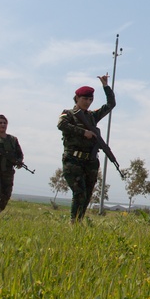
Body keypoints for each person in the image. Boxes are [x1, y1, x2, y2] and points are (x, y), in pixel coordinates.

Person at [58, 75, 115, 222]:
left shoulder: (91, 116)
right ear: (77, 98)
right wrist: (83, 132)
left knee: (87, 194)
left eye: (90, 100)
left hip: (89, 161)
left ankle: (79, 221)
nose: (88, 102)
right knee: (79, 193)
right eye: (85, 99)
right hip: (73, 160)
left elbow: (111, 104)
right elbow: (61, 125)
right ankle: (73, 222)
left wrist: (106, 86)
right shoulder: (69, 114)